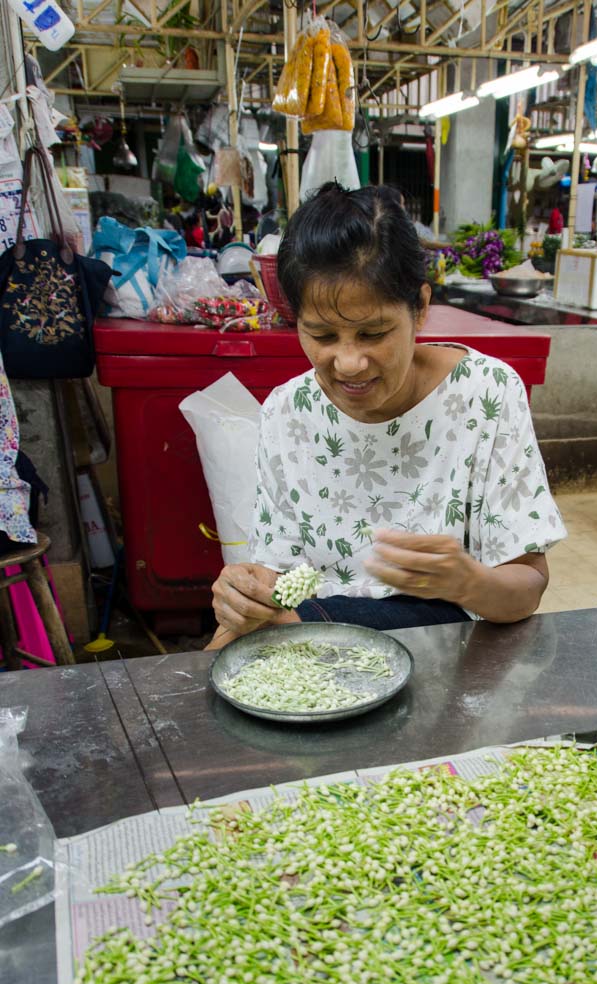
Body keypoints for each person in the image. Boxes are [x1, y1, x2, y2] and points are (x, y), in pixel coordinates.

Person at [207, 183, 565, 649]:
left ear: (419, 308)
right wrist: (244, 597)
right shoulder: (287, 412)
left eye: (373, 333)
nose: (349, 362)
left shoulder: (486, 396)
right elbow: (277, 581)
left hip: (447, 651)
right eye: (322, 335)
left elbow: (526, 590)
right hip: (314, 641)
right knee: (219, 655)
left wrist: (465, 582)